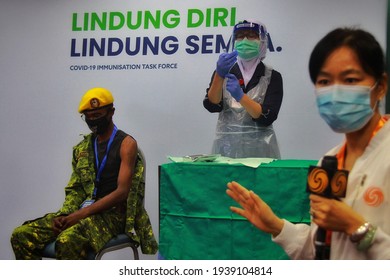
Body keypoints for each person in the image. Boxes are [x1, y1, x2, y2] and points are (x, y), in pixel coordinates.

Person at [226, 28, 390, 259]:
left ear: (381, 86)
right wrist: (276, 226)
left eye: (350, 79)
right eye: (325, 81)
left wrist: (358, 229)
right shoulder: (328, 163)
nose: (335, 92)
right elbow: (321, 249)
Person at [10, 87, 157, 259]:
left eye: (98, 115)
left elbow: (122, 192)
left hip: (112, 217)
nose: (93, 120)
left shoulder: (126, 144)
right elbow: (77, 188)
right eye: (88, 116)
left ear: (111, 112)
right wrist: (66, 215)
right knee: (21, 235)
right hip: (79, 213)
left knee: (67, 241)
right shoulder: (83, 148)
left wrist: (78, 216)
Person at [203, 20, 283, 158]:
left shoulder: (272, 76)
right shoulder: (224, 72)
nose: (245, 40)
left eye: (251, 36)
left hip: (260, 151)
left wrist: (241, 97)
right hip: (225, 149)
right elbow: (212, 105)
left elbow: (267, 117)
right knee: (226, 180)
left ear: (263, 41)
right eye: (240, 36)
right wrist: (219, 74)